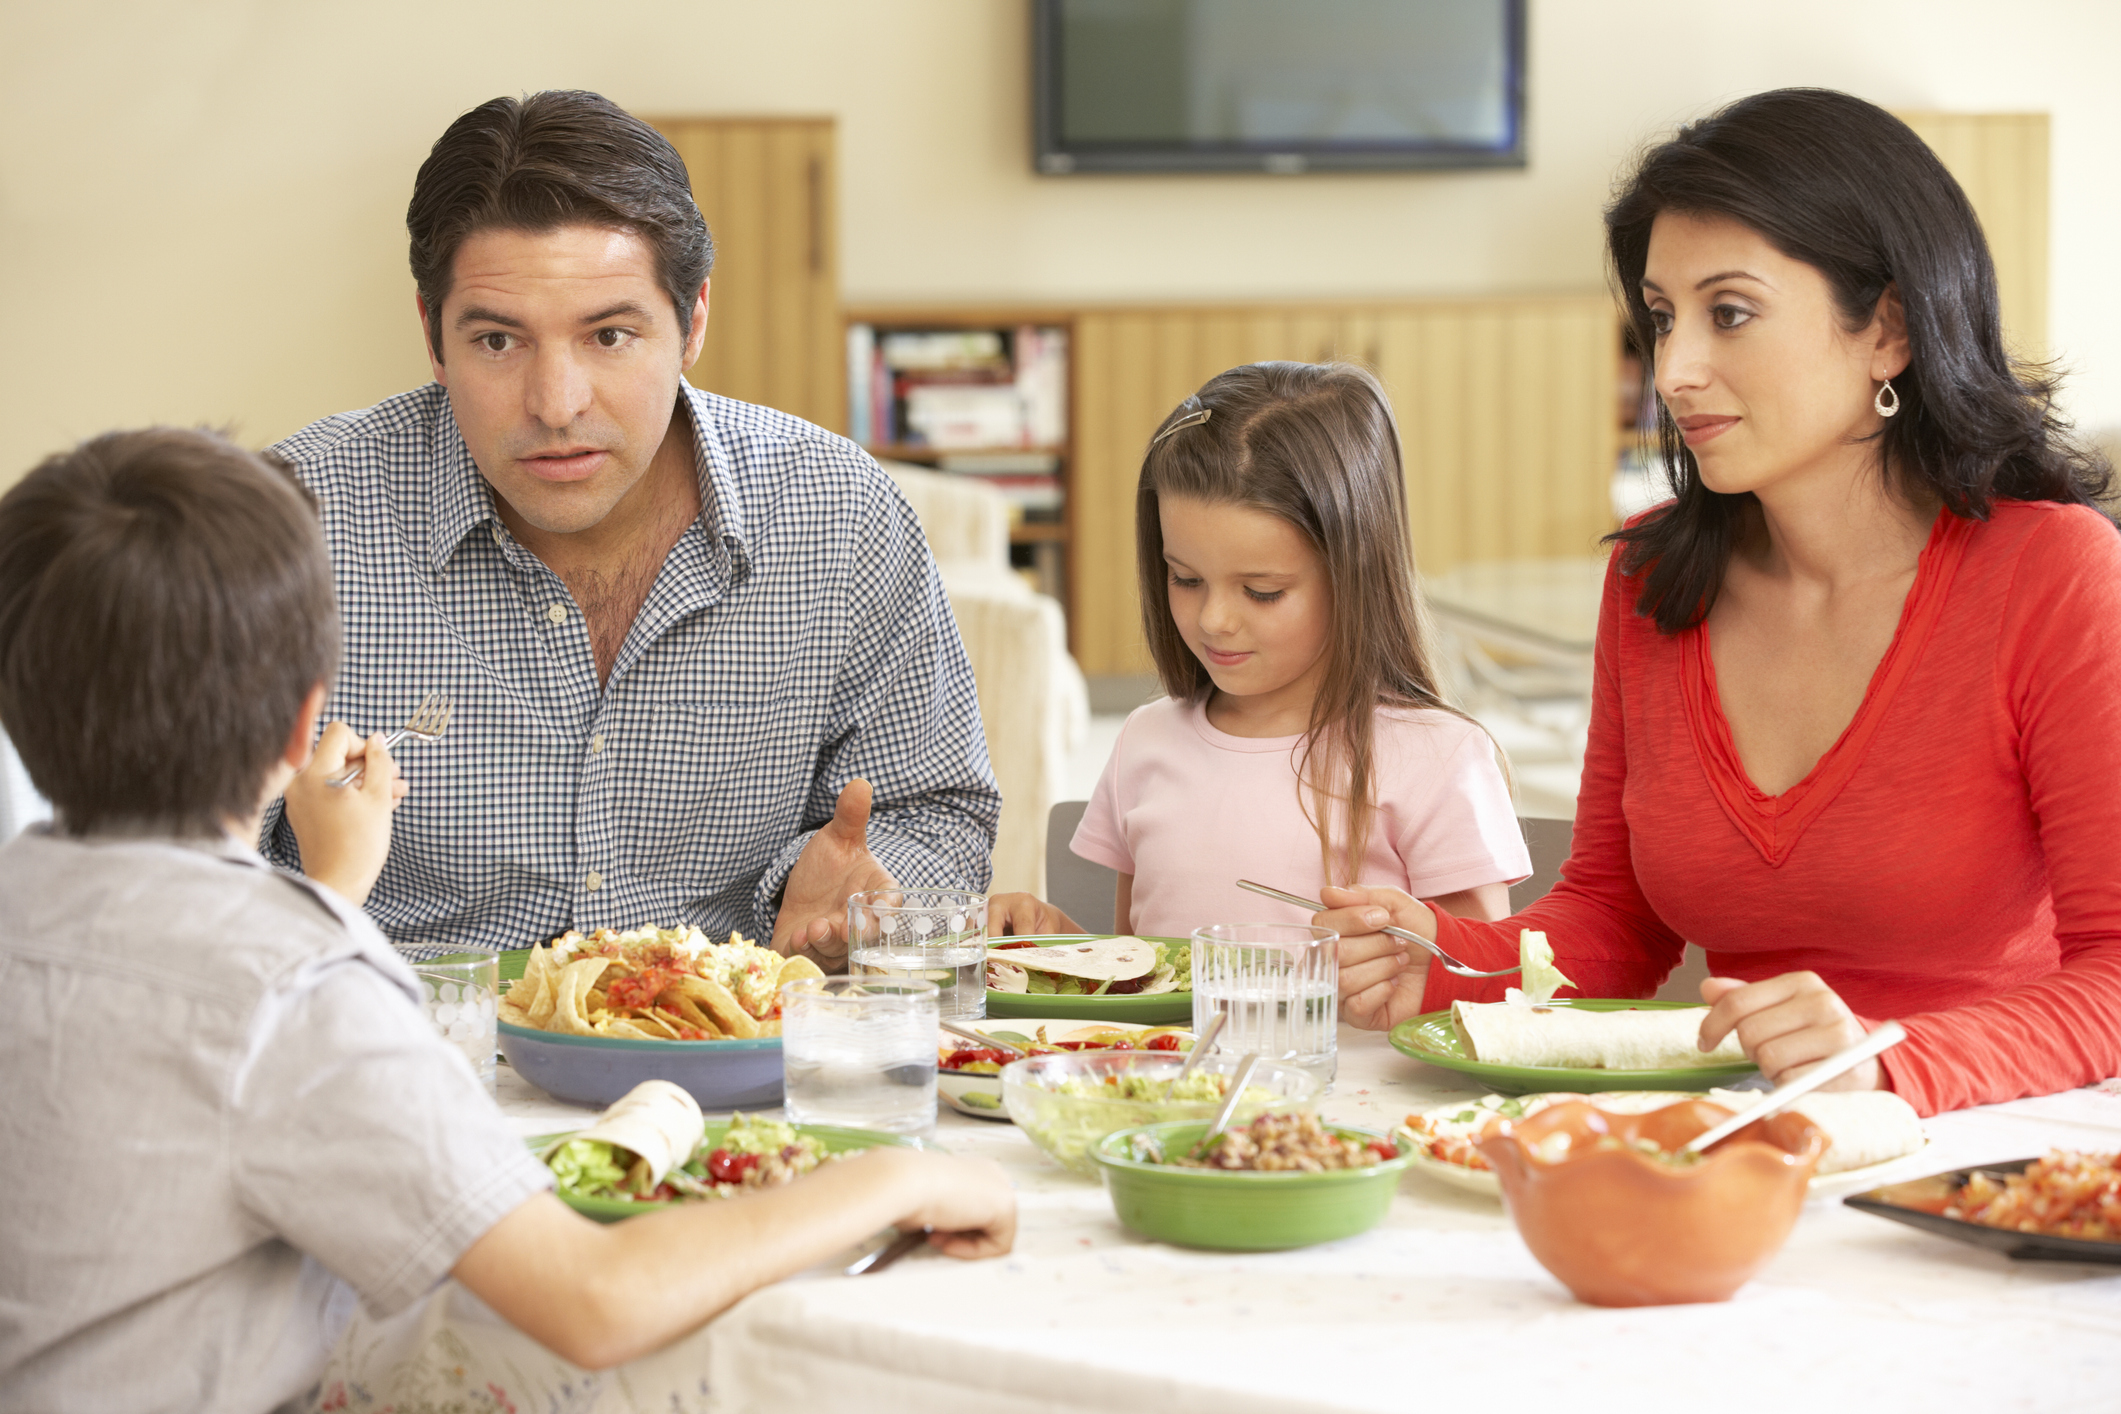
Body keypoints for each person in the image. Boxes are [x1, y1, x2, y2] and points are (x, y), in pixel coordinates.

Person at [0, 429, 1015, 1412]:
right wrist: (888, 1176)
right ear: (308, 718)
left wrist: (329, 892)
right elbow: (593, 1297)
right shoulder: (299, 987)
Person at [1318, 88, 2121, 1117]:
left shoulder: (2055, 575)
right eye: (1661, 318)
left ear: (1888, 329)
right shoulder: (1653, 580)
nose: (1676, 369)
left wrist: (1884, 1056)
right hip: (1725, 1131)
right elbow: (1614, 918)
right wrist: (1442, 957)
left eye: (1729, 312)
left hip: (1982, 1146)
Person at [260, 90, 999, 970]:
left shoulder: (839, 513)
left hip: (731, 1054)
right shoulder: (292, 519)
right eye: (498, 342)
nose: (555, 403)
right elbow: (175, 858)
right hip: (400, 1054)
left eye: (608, 336)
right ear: (432, 336)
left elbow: (937, 810)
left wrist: (840, 914)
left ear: (690, 325)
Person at [1013, 362, 1528, 940]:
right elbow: (1149, 978)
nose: (1213, 620)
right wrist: (1057, 947)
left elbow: (1478, 985)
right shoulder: (1145, 740)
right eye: (1184, 579)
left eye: (1262, 592)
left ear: (1355, 573)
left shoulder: (1439, 758)